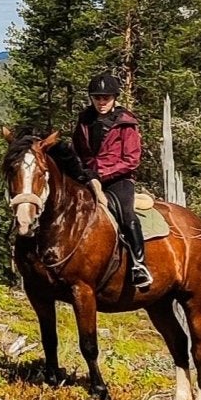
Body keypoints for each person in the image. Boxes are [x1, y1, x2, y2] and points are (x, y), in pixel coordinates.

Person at [72, 69, 151, 292]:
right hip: (88, 177)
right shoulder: (84, 121)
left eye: (105, 98)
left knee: (127, 215)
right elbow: (79, 151)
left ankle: (139, 264)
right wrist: (85, 172)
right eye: (97, 98)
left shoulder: (126, 123)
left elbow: (131, 160)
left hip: (119, 179)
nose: (101, 102)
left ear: (114, 98)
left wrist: (102, 174)